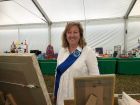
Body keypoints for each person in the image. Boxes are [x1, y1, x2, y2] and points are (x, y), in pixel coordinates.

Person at [54, 22, 100, 105]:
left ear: (80, 34)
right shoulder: (62, 51)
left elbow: (95, 78)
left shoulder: (88, 51)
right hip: (61, 99)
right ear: (65, 35)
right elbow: (57, 73)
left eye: (75, 32)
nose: (72, 35)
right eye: (69, 32)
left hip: (79, 99)